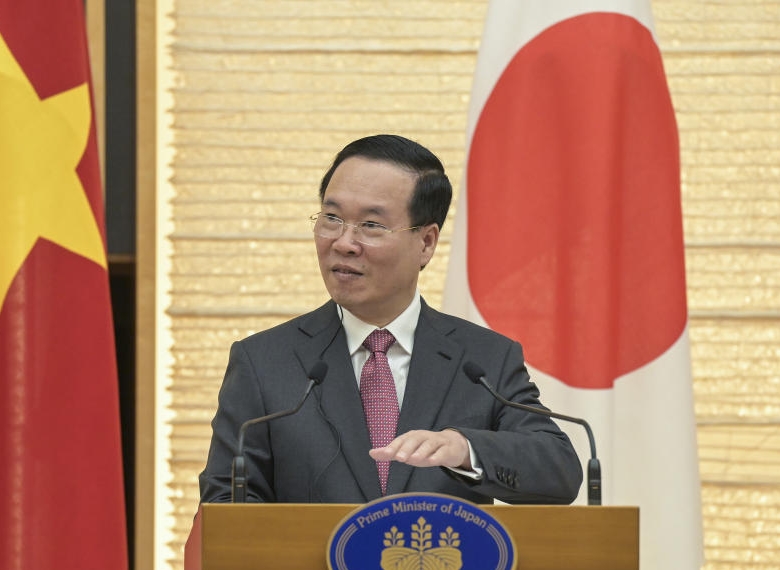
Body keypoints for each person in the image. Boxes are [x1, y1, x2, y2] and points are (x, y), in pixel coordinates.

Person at [199, 134, 581, 508]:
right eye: (331, 218)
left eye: (371, 225)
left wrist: (465, 449)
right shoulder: (264, 362)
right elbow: (225, 504)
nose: (344, 242)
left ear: (426, 243)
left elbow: (559, 471)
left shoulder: (482, 359)